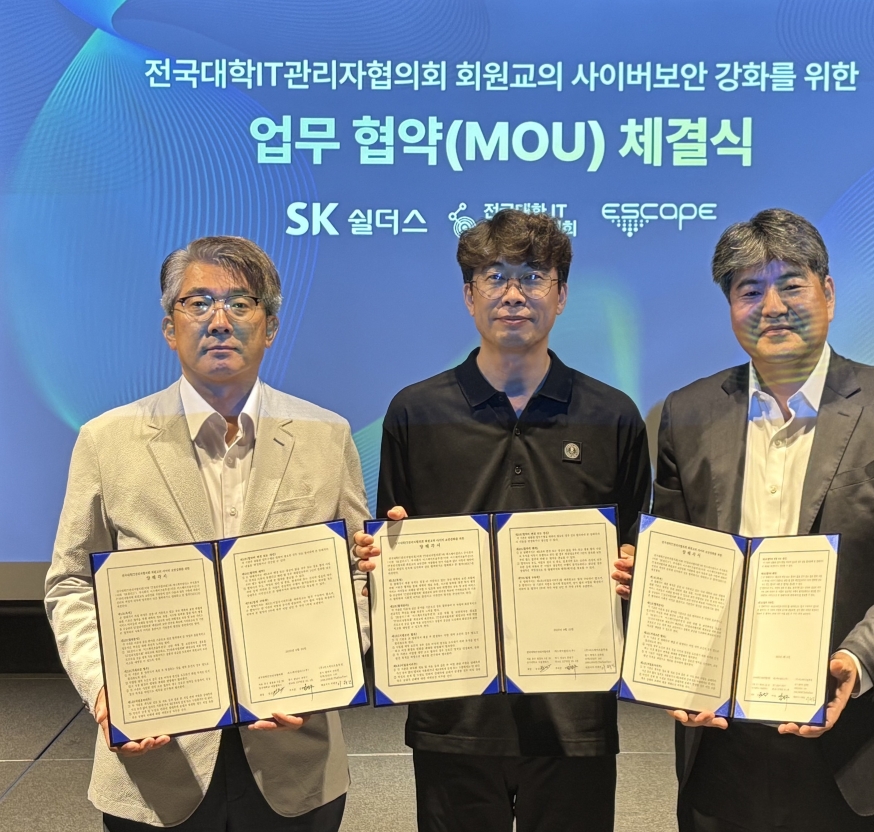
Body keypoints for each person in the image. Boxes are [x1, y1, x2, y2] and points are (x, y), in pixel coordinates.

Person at [617, 208, 874, 831]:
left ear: (828, 293)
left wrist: (858, 659)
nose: (772, 307)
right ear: (730, 306)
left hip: (862, 724)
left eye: (791, 285)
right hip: (724, 742)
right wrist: (651, 591)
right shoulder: (686, 414)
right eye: (749, 291)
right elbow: (679, 555)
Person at [45, 236, 372, 831]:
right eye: (198, 303)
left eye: (241, 303)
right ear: (169, 328)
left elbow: (357, 575)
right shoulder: (105, 440)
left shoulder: (327, 436)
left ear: (270, 327)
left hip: (295, 760)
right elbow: (71, 584)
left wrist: (328, 675)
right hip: (155, 760)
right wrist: (104, 689)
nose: (219, 320)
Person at [353, 209, 651, 832]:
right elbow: (392, 537)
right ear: (469, 295)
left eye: (534, 276)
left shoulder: (613, 415)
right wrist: (386, 558)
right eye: (495, 277)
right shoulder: (414, 412)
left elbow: (636, 547)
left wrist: (634, 569)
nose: (514, 293)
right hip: (453, 709)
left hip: (574, 711)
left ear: (561, 295)